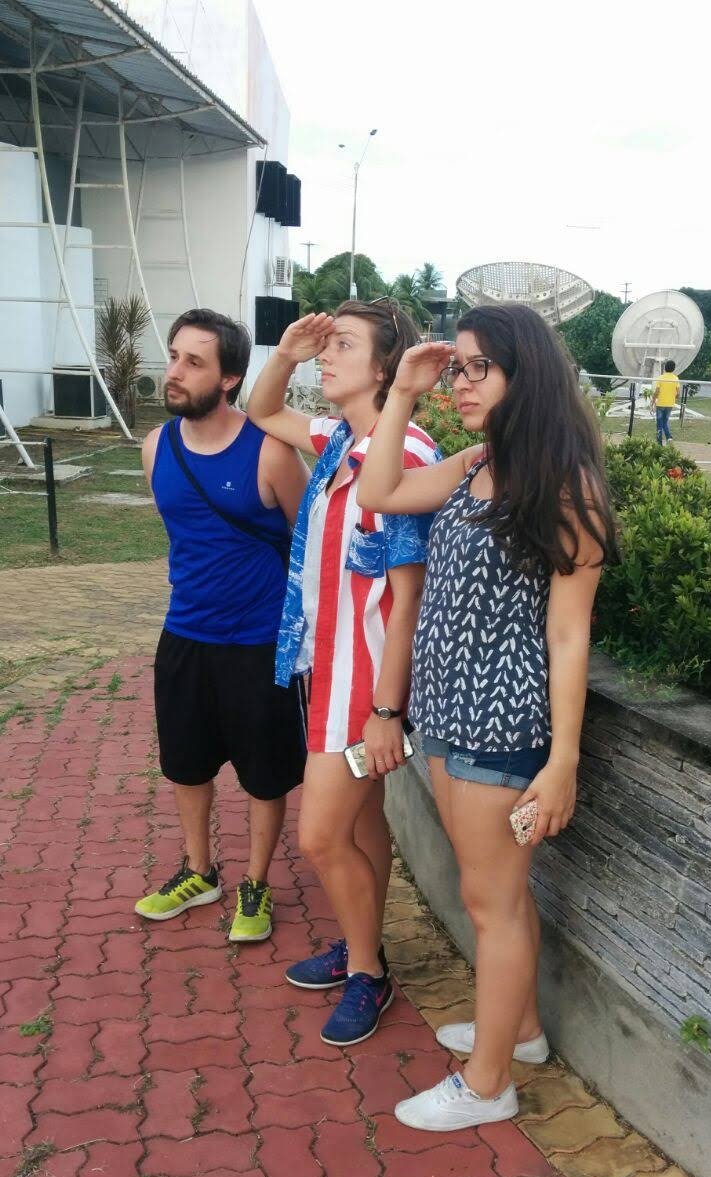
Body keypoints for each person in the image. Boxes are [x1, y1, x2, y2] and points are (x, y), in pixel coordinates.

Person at [358, 304, 618, 1129]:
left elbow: (569, 633)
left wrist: (562, 760)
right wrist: (403, 390)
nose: (462, 384)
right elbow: (379, 491)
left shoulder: (565, 487)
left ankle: (487, 1083)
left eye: (480, 369)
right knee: (499, 896)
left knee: (491, 904)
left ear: (524, 375)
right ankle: (523, 1031)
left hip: (500, 730)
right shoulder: (478, 464)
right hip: (447, 712)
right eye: (458, 368)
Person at [246, 302, 441, 1046]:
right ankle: (363, 944)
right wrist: (287, 352)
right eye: (326, 345)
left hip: (364, 683)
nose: (326, 356)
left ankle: (368, 971)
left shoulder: (406, 453)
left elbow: (408, 598)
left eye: (343, 345)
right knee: (362, 824)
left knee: (321, 837)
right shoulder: (337, 440)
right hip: (322, 666)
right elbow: (263, 410)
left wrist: (386, 712)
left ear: (386, 368)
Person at [134, 308, 310, 943]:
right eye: (173, 356)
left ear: (230, 378)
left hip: (259, 644)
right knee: (185, 765)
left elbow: (307, 542)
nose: (174, 372)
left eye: (194, 362)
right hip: (184, 635)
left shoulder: (270, 450)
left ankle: (255, 883)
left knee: (264, 773)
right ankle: (199, 870)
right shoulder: (156, 447)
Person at [651, 359, 680, 444]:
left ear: (665, 367)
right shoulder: (675, 378)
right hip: (670, 404)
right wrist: (673, 398)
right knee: (665, 422)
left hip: (660, 404)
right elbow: (678, 394)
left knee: (659, 424)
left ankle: (659, 443)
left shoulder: (661, 378)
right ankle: (669, 438)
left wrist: (653, 400)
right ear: (673, 368)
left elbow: (657, 392)